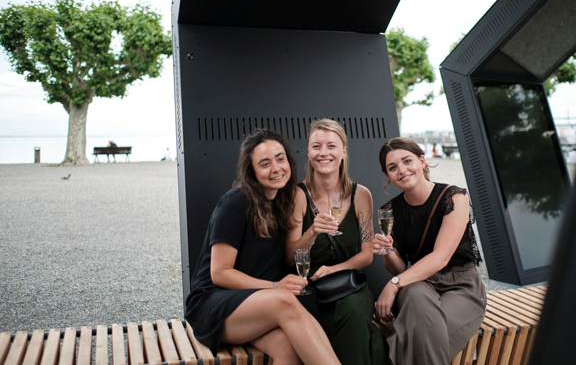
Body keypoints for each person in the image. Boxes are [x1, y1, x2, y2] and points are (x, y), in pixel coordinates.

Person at [185, 129, 341, 365]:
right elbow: (219, 273)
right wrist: (274, 286)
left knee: (289, 350)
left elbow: (289, 257)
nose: (276, 168)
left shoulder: (283, 201)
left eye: (280, 159)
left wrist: (312, 232)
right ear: (252, 171)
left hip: (255, 304)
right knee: (285, 300)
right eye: (265, 163)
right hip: (214, 306)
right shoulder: (235, 203)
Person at [373, 137, 486, 365]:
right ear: (387, 176)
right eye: (392, 167)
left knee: (418, 335)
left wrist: (393, 284)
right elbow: (399, 267)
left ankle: (396, 341)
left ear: (422, 161)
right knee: (415, 295)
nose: (402, 170)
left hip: (461, 285)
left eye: (407, 161)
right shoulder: (390, 211)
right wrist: (389, 251)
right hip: (419, 282)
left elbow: (440, 258)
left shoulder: (454, 197)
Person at [286, 119, 388, 365]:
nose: (324, 153)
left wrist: (334, 269)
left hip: (348, 284)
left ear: (343, 152)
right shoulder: (297, 195)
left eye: (331, 146)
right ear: (309, 152)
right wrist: (312, 232)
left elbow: (366, 255)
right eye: (316, 146)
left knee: (354, 312)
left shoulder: (361, 195)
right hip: (309, 287)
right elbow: (289, 256)